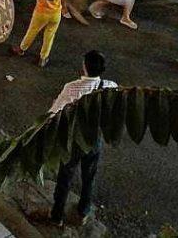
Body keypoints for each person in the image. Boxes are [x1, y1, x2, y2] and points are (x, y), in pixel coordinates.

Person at [48, 50, 117, 227]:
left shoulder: (72, 88)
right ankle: (83, 212)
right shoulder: (110, 86)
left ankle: (57, 215)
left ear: (84, 66)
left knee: (65, 177)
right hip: (95, 140)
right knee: (89, 176)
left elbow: (54, 113)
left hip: (73, 140)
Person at [11, 0, 68, 67]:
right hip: (55, 15)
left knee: (32, 31)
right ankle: (43, 58)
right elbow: (63, 2)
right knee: (49, 36)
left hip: (40, 13)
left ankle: (21, 49)